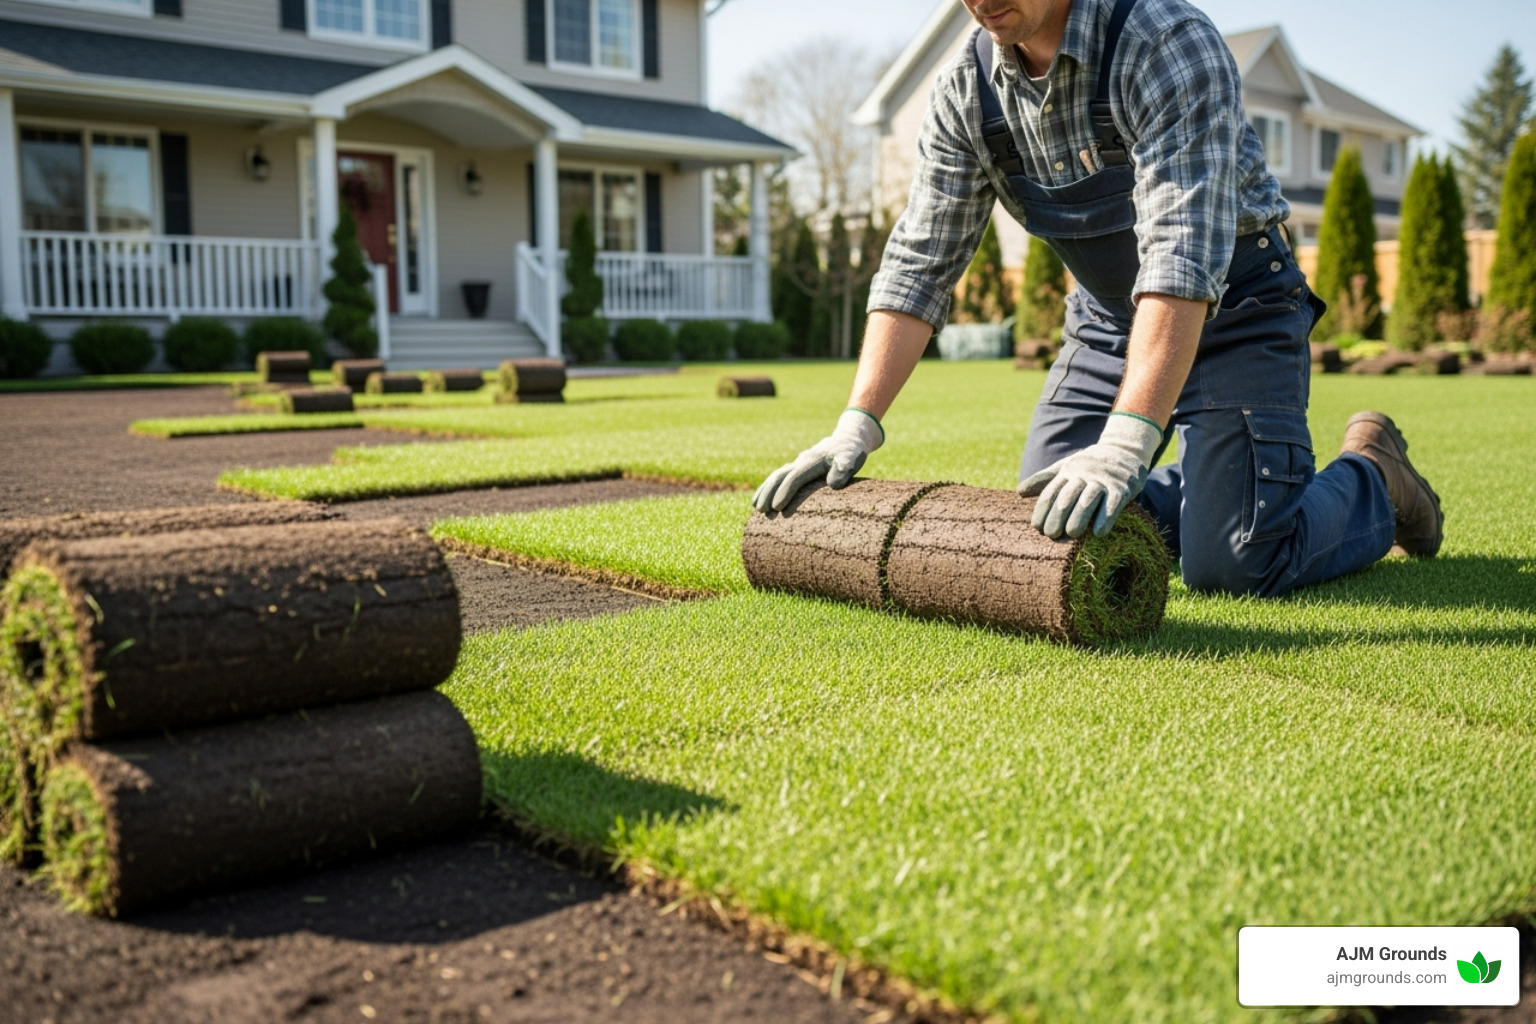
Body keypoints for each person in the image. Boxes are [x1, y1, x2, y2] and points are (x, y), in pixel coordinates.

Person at [752, 0, 1442, 597]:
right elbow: (920, 263)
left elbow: (1182, 254)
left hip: (1237, 309)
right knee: (1051, 528)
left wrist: (1125, 442)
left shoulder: (1164, 42)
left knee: (1236, 563)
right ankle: (1213, 488)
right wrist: (857, 420)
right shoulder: (967, 90)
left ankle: (1375, 477)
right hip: (1110, 324)